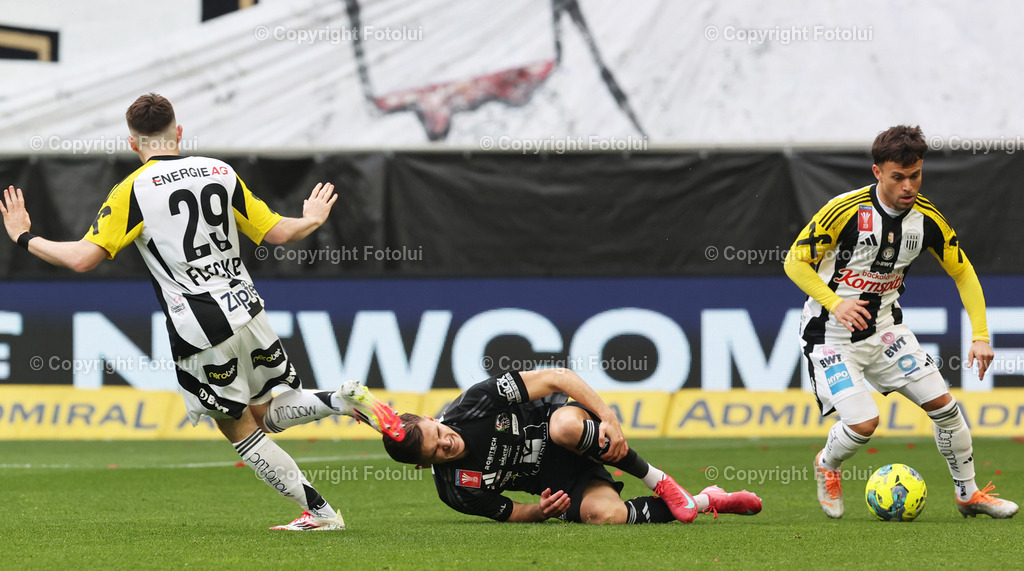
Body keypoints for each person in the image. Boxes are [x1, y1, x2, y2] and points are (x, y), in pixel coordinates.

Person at [0, 93, 404, 531]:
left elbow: (82, 258)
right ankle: (337, 401)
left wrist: (24, 237)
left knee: (238, 427)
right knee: (265, 410)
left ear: (133, 145)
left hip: (199, 326)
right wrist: (310, 219)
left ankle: (322, 511)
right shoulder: (220, 171)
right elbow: (277, 233)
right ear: (178, 132)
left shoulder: (132, 189)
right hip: (248, 309)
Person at [784, 125, 1018, 519]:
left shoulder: (927, 219)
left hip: (887, 331)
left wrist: (980, 335)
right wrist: (835, 303)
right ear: (878, 172)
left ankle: (968, 494)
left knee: (946, 407)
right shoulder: (845, 211)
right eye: (899, 177)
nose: (909, 186)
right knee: (863, 424)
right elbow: (794, 261)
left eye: (916, 175)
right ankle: (828, 464)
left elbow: (963, 273)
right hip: (830, 337)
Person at [370, 368, 762, 524]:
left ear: (428, 417)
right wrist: (540, 511)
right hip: (562, 479)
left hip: (568, 424)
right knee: (604, 516)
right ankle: (708, 500)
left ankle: (657, 479)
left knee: (562, 428)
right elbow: (511, 512)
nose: (448, 441)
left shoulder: (473, 405)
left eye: (438, 431)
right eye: (437, 451)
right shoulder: (455, 489)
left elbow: (557, 377)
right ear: (424, 466)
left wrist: (607, 417)